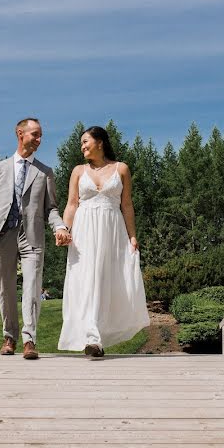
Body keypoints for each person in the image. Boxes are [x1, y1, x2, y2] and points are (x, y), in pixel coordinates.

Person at [0, 118, 71, 360]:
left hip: (32, 237)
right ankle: (9, 337)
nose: (39, 140)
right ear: (20, 133)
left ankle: (29, 340)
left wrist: (60, 226)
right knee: (5, 288)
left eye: (40, 136)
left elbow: (51, 208)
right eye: (35, 135)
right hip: (3, 236)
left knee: (32, 288)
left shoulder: (45, 172)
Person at [58, 126, 149, 357]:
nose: (82, 147)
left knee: (106, 279)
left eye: (85, 141)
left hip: (112, 230)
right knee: (86, 280)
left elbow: (127, 205)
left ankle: (97, 335)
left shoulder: (121, 169)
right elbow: (72, 204)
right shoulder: (78, 171)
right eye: (81, 143)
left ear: (100, 142)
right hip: (84, 231)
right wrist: (64, 230)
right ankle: (92, 338)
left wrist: (132, 235)